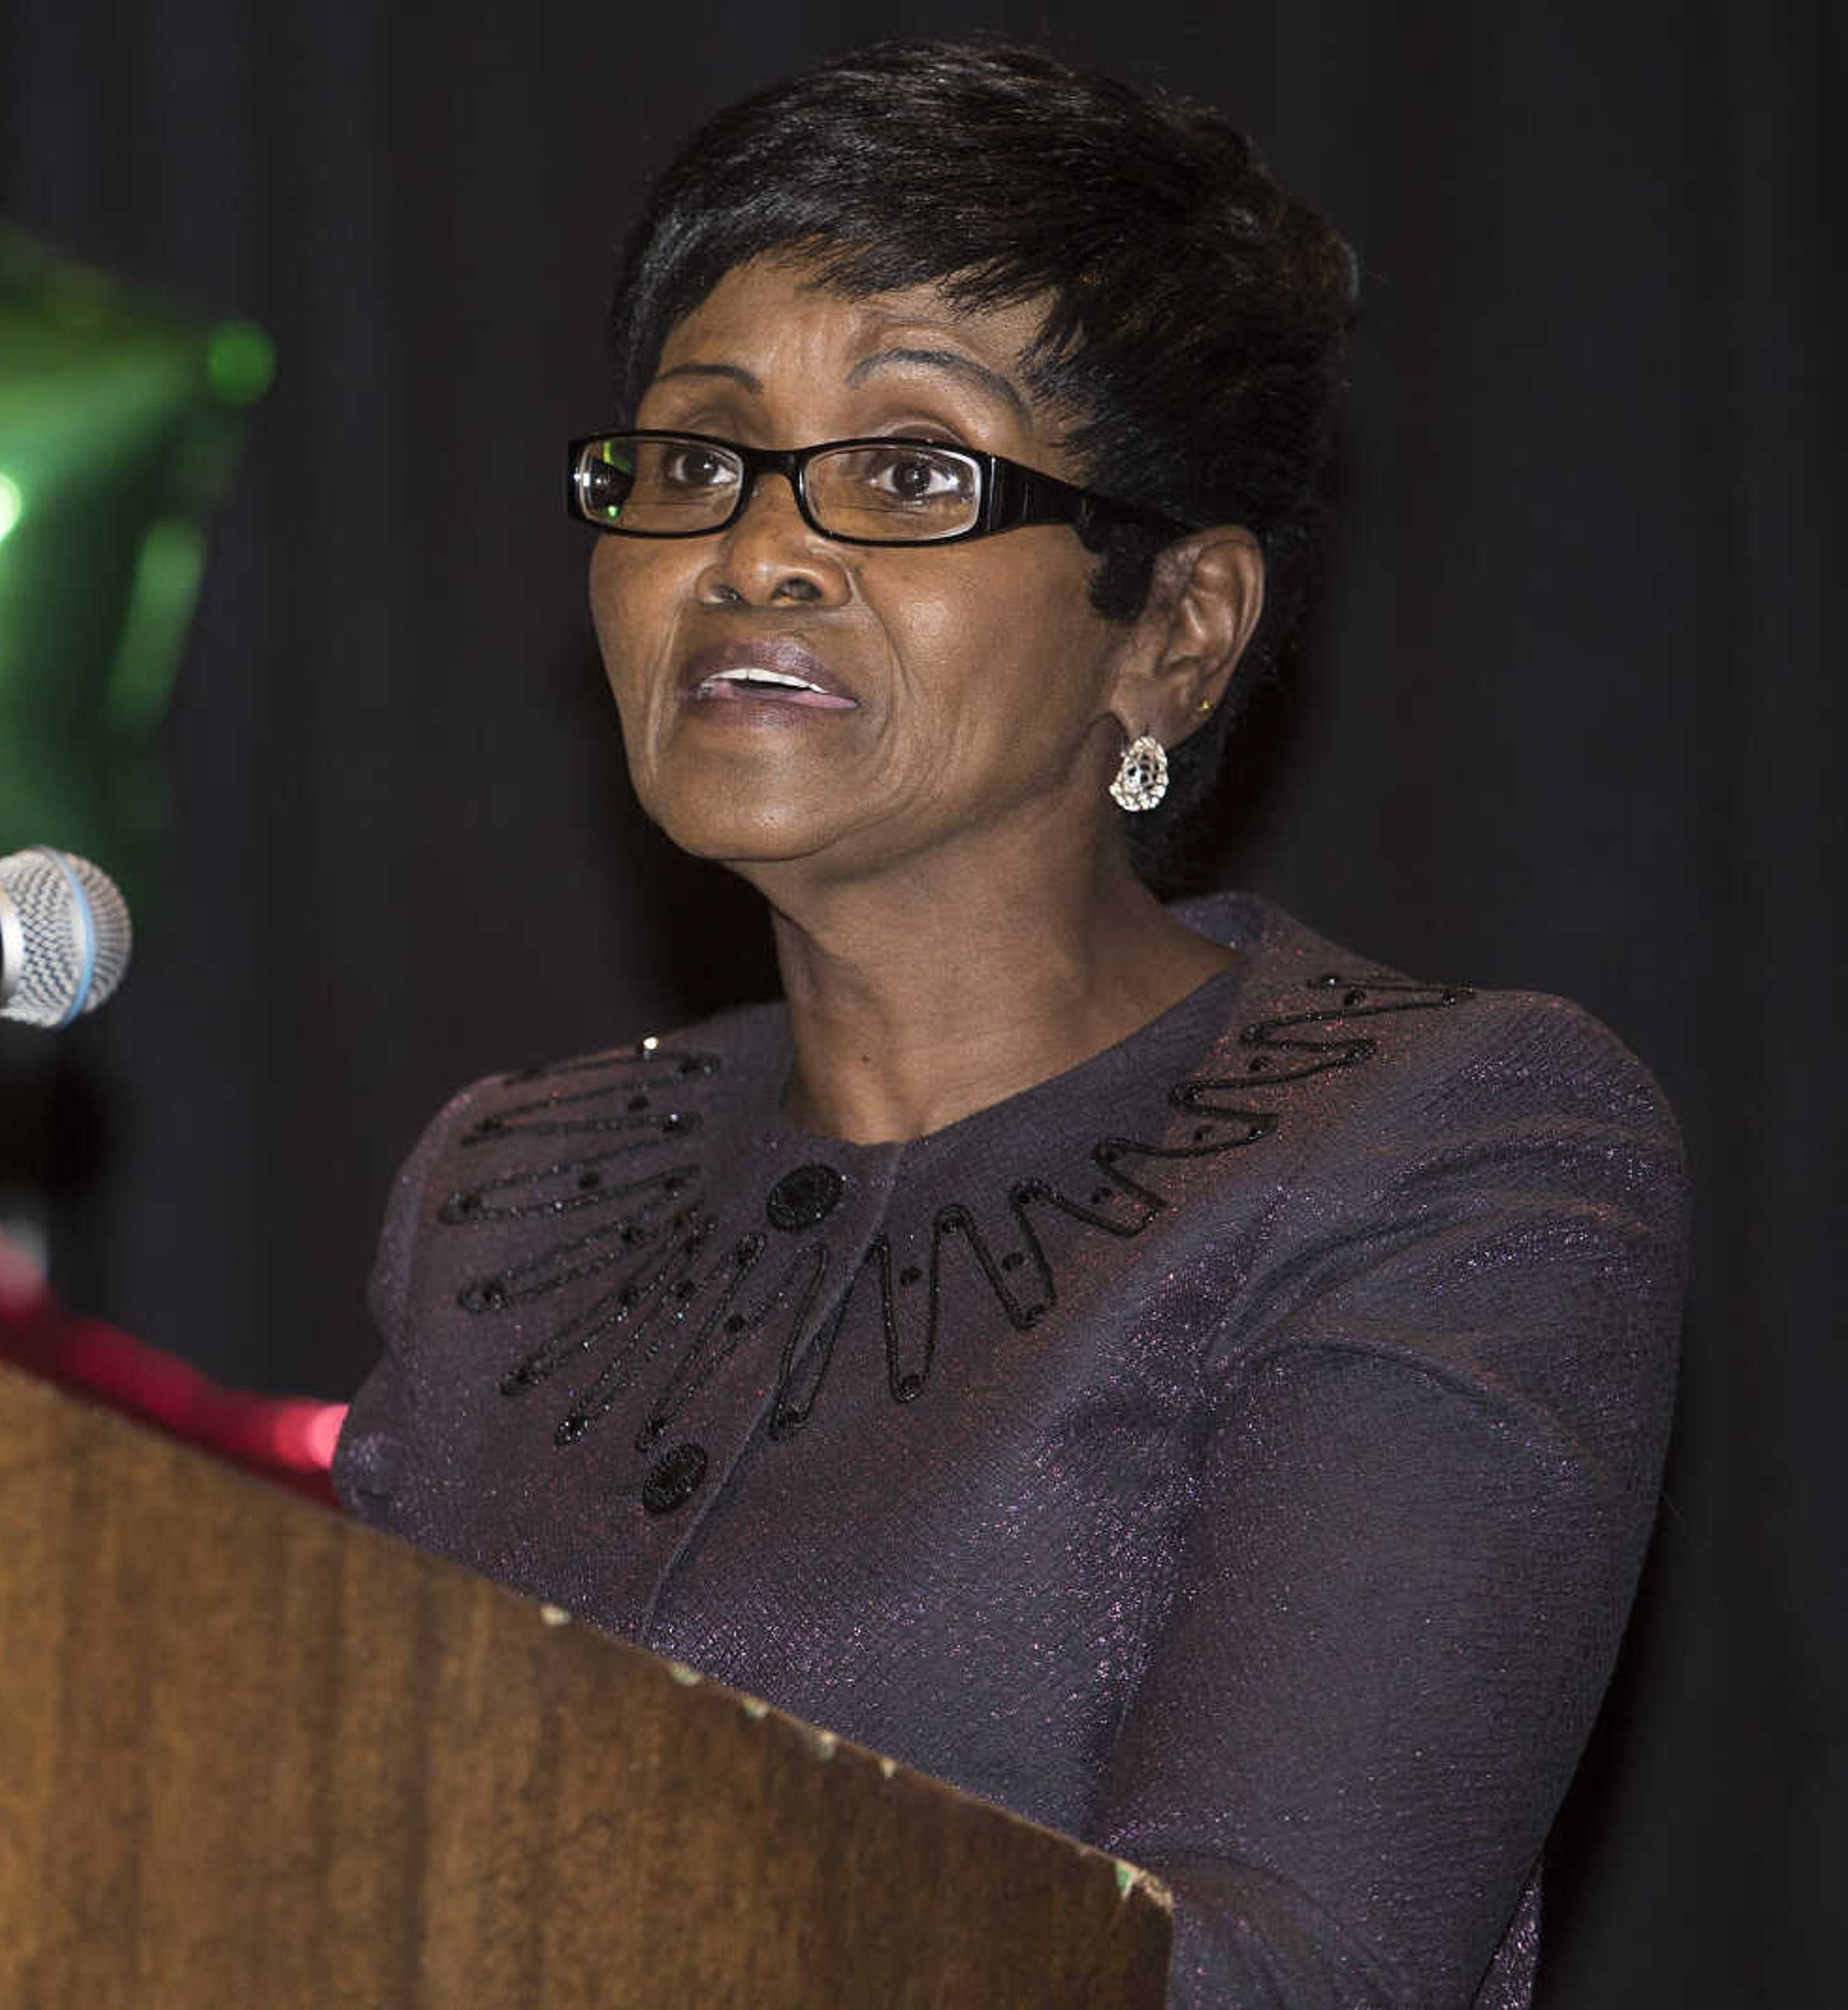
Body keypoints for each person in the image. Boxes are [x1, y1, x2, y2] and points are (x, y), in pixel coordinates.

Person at [332, 40, 1683, 2010]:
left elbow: (1260, 1976)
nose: (754, 550)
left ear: (1176, 629)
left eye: (910, 470)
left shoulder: (1443, 1149)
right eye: (695, 457)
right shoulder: (508, 1190)